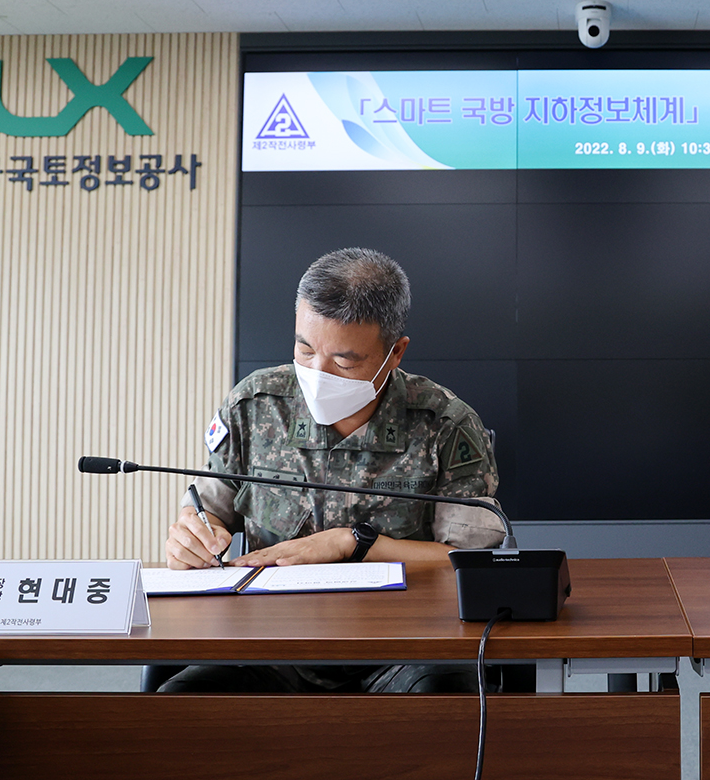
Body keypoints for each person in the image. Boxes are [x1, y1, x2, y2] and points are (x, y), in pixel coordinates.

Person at [157, 247, 505, 693]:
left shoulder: (444, 425)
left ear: (394, 353)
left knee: (445, 708)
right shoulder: (254, 407)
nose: (317, 372)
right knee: (181, 704)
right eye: (304, 349)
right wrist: (189, 537)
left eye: (343, 362)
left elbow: (470, 565)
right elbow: (205, 513)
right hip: (271, 647)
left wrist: (353, 544)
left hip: (405, 654)